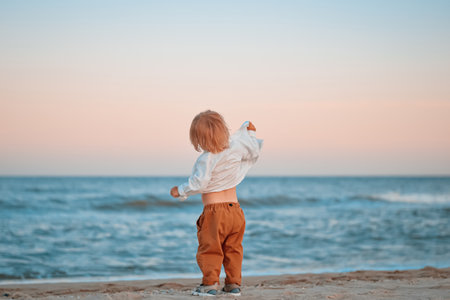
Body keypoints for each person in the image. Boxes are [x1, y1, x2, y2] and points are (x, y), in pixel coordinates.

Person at [170, 110, 263, 296]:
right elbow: (251, 146)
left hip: (215, 213)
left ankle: (210, 284)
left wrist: (180, 191)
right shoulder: (236, 148)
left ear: (199, 140)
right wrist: (250, 132)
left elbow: (199, 183)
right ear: (224, 130)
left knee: (210, 248)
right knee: (233, 249)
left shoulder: (206, 158)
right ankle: (233, 285)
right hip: (236, 211)